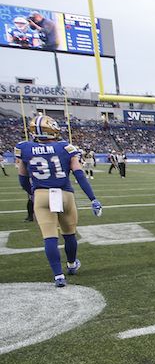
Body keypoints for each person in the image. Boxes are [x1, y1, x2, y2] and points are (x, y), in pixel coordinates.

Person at [14, 115, 102, 286]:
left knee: (50, 237)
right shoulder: (65, 147)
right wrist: (93, 198)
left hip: (41, 195)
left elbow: (23, 178)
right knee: (69, 234)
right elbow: (79, 174)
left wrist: (31, 193)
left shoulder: (23, 148)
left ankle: (58, 276)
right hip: (65, 194)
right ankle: (71, 264)